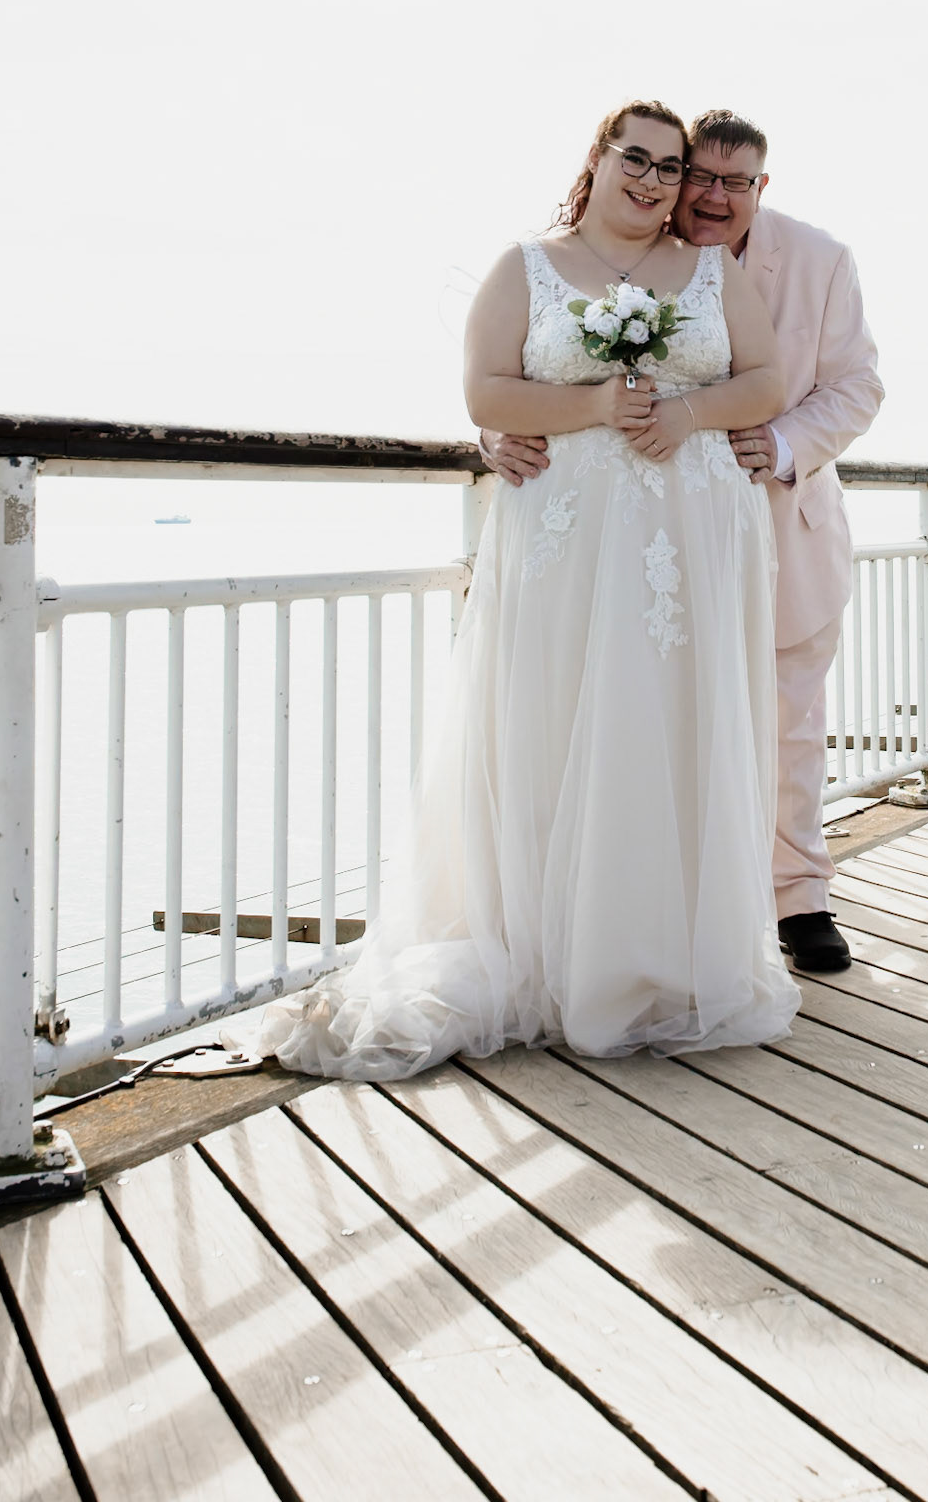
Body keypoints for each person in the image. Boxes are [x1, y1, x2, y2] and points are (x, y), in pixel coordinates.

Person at [237, 100, 800, 1077]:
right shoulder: (524, 268)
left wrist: (689, 410)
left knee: (675, 728)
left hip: (688, 550)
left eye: (673, 167)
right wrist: (591, 404)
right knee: (557, 722)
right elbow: (489, 394)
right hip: (568, 544)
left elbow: (766, 381)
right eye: (640, 158)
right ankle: (553, 952)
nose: (656, 180)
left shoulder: (711, 270)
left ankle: (663, 958)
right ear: (598, 156)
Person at [485, 108, 883, 973]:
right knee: (662, 716)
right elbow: (535, 365)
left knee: (784, 716)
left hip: (780, 515)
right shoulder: (624, 256)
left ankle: (797, 894)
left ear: (760, 188)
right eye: (696, 176)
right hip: (646, 538)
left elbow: (857, 386)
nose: (708, 196)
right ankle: (660, 904)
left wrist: (779, 446)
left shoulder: (819, 260)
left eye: (731, 183)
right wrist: (495, 438)